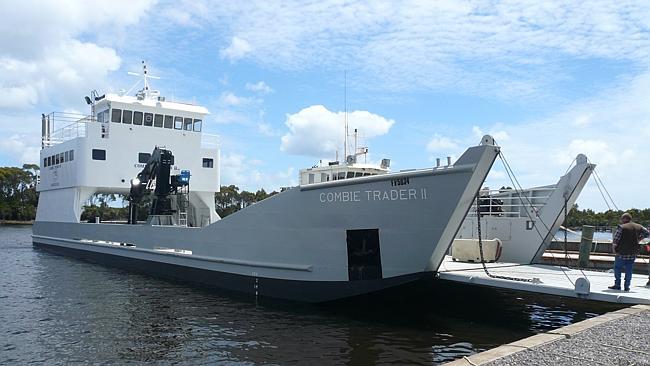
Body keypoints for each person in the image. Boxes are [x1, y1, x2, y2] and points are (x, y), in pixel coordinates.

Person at [608, 213, 649, 291]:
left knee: (617, 268)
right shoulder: (639, 226)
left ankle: (617, 285)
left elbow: (616, 240)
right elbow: (647, 233)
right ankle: (627, 286)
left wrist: (614, 249)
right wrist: (639, 239)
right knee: (629, 269)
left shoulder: (621, 227)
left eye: (621, 219)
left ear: (624, 219)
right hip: (633, 252)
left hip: (621, 252)